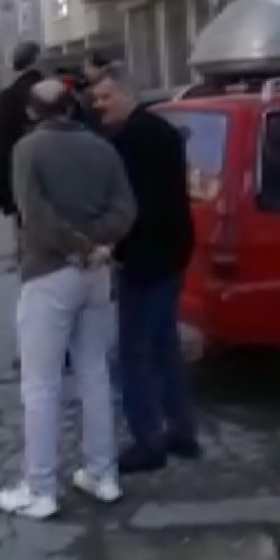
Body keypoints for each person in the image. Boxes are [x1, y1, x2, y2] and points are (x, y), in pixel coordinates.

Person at [0, 78, 137, 520]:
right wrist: (97, 244)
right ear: (74, 108)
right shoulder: (102, 148)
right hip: (97, 274)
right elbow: (126, 209)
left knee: (40, 385)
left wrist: (77, 245)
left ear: (32, 113)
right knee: (94, 375)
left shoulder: (28, 150)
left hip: (49, 274)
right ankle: (103, 474)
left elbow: (35, 218)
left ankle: (40, 489)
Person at [93, 63, 200, 474]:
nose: (99, 105)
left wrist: (110, 246)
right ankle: (182, 432)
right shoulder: (163, 131)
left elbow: (131, 206)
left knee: (133, 355)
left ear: (126, 94)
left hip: (145, 258)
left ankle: (148, 442)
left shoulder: (130, 140)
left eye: (106, 97)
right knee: (165, 347)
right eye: (96, 98)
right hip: (173, 252)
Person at [0, 41, 43, 252]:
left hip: (23, 177)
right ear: (37, 60)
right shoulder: (57, 91)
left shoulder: (9, 97)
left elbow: (0, 148)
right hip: (60, 179)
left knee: (27, 241)